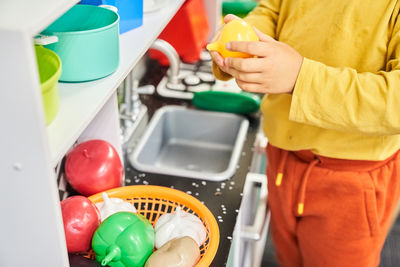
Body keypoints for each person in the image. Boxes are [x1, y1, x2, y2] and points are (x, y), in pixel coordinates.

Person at [210, 1, 400, 266]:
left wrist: (300, 77)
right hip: (283, 157)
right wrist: (245, 40)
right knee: (289, 258)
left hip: (351, 183)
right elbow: (272, 11)